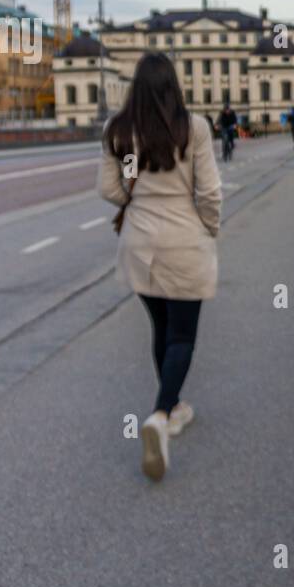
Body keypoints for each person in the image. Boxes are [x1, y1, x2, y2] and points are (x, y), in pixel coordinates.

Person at [99, 53, 222, 482]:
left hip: (139, 242)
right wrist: (209, 228)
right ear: (174, 85)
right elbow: (208, 192)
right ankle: (160, 413)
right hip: (184, 238)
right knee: (184, 335)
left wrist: (140, 205)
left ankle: (172, 408)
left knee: (161, 329)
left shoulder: (119, 131)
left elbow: (110, 188)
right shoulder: (194, 128)